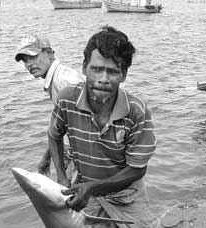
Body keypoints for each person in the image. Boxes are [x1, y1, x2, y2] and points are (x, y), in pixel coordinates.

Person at [48, 26, 157, 227]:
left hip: (127, 196)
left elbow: (137, 170)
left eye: (112, 72)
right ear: (84, 67)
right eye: (96, 69)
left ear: (123, 75)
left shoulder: (136, 111)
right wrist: (62, 177)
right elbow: (54, 135)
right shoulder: (67, 100)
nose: (103, 79)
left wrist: (92, 188)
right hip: (85, 192)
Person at [15, 34, 85, 180]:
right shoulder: (56, 79)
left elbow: (86, 128)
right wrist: (48, 157)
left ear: (48, 53)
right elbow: (59, 126)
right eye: (25, 61)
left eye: (32, 57)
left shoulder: (64, 82)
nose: (28, 65)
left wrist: (64, 174)